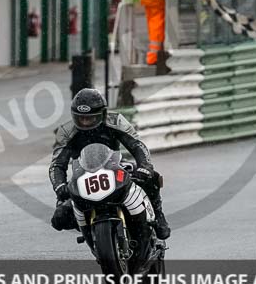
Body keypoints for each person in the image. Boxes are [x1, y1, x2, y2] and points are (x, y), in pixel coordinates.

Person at [49, 88, 170, 240]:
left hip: (114, 165)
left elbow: (136, 145)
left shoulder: (115, 121)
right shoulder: (66, 131)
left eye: (91, 118)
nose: (85, 122)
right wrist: (59, 186)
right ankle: (88, 230)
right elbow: (57, 165)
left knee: (151, 177)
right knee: (59, 218)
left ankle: (158, 215)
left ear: (103, 114)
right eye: (81, 118)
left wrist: (145, 166)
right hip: (82, 173)